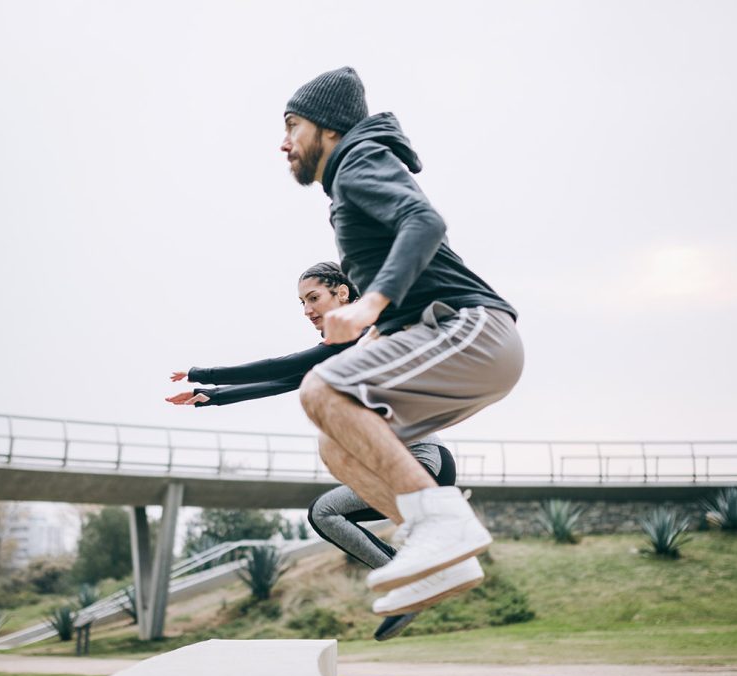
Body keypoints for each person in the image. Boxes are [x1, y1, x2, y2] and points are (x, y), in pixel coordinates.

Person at [280, 67, 524, 618]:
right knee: (337, 444)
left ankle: (444, 525)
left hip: (471, 328)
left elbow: (424, 221)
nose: (284, 142)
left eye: (293, 126)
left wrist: (370, 303)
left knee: (321, 390)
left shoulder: (357, 159)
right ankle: (443, 557)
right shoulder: (349, 181)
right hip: (454, 339)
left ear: (328, 128)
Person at [167, 261, 457, 640]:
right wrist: (213, 396)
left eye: (314, 298)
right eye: (302, 303)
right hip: (420, 464)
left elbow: (282, 366)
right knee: (326, 512)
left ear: (342, 293)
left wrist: (203, 373)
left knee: (325, 510)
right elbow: (283, 380)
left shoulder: (360, 334)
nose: (307, 310)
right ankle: (416, 578)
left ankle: (413, 579)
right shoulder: (343, 346)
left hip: (421, 461)